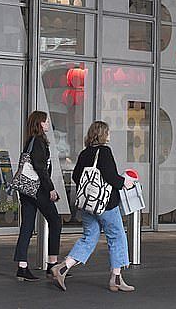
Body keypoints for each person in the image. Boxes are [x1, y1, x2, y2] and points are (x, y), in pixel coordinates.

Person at [51, 121, 135, 292]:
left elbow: (76, 176)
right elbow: (111, 177)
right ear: (102, 134)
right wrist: (125, 182)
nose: (110, 135)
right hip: (105, 205)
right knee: (117, 236)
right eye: (108, 132)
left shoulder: (85, 153)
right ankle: (116, 278)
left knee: (89, 237)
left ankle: (62, 267)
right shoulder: (104, 152)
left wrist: (91, 189)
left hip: (88, 204)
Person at [13, 111, 62, 281]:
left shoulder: (30, 142)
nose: (48, 124)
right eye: (46, 121)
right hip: (37, 190)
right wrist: (51, 189)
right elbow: (41, 169)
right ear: (40, 123)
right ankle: (52, 265)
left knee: (27, 226)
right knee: (55, 221)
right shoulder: (39, 142)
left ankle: (22, 267)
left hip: (25, 189)